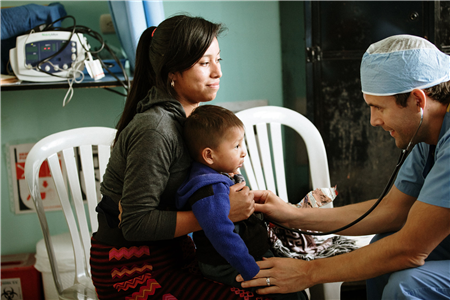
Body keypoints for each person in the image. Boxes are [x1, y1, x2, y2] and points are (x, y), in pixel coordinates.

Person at [236, 34, 450, 299]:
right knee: (381, 251)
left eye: (378, 108)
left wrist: (307, 272)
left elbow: (410, 250)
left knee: (407, 283)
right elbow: (392, 210)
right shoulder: (427, 131)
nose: (373, 121)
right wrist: (291, 214)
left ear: (418, 100)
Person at [89, 15, 260, 300]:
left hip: (175, 253)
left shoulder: (194, 121)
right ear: (172, 72)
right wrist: (220, 214)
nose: (217, 72)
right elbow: (134, 223)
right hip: (132, 267)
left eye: (219, 60)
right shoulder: (155, 129)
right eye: (204, 63)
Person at [176, 105, 306, 300]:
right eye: (236, 146)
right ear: (209, 155)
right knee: (292, 294)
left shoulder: (217, 174)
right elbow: (221, 234)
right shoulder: (209, 189)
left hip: (246, 254)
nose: (243, 152)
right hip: (228, 264)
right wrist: (250, 270)